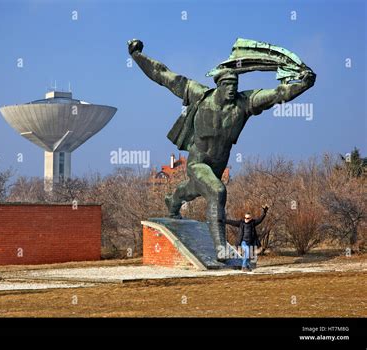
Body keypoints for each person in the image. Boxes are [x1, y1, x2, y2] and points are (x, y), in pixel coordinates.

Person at [127, 39, 315, 252]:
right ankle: (219, 247)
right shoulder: (198, 94)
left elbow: (278, 94)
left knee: (194, 189)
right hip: (198, 162)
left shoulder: (243, 103)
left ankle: (173, 200)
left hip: (217, 166)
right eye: (228, 85)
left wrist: (303, 84)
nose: (233, 90)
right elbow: (163, 75)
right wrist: (137, 56)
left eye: (236, 86)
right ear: (218, 84)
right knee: (217, 191)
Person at [225, 205, 269, 272]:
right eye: (245, 218)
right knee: (247, 252)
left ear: (250, 218)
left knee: (249, 255)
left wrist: (264, 213)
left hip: (251, 243)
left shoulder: (253, 223)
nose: (246, 219)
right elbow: (232, 222)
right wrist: (223, 220)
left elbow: (260, 220)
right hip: (243, 242)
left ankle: (247, 266)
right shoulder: (241, 223)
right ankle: (244, 267)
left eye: (248, 218)